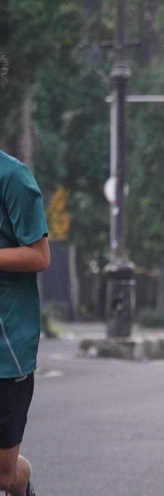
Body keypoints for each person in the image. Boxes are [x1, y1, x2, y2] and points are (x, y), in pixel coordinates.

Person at [0, 150, 50, 496]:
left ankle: (21, 479)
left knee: (4, 476)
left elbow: (39, 255)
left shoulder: (12, 177)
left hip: (7, 346)